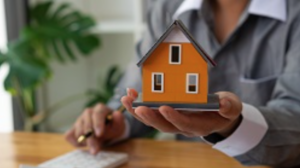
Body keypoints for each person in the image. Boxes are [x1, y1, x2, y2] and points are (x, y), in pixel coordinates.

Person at [65, 0, 300, 167]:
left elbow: (295, 115)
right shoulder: (167, 8)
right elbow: (139, 92)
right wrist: (116, 123)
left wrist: (233, 126)